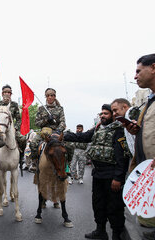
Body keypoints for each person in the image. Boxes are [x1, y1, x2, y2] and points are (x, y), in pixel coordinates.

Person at [64, 104, 130, 240]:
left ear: (112, 115)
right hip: (98, 174)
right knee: (98, 204)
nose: (103, 116)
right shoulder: (97, 129)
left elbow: (121, 157)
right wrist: (63, 135)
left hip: (111, 175)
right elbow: (81, 137)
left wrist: (118, 178)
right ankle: (100, 231)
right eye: (101, 113)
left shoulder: (118, 130)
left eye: (106, 113)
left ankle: (116, 235)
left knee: (114, 207)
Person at [126, 54, 155, 240]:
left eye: (138, 71)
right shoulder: (148, 102)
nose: (135, 76)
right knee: (147, 226)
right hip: (148, 177)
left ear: (153, 67)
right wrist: (137, 130)